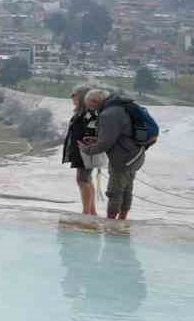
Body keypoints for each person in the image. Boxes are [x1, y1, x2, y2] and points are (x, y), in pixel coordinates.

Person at [80, 89, 148, 220]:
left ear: (95, 102)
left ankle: (112, 222)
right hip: (136, 154)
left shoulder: (108, 114)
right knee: (127, 189)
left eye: (89, 105)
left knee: (114, 191)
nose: (89, 109)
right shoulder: (119, 107)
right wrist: (98, 140)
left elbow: (105, 144)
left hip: (123, 158)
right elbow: (119, 133)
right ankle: (123, 219)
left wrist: (86, 149)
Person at [61, 85, 101, 216]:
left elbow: (91, 133)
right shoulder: (83, 112)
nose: (71, 97)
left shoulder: (88, 113)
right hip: (83, 150)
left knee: (82, 180)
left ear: (82, 97)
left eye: (74, 94)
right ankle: (91, 211)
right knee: (86, 179)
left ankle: (86, 212)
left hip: (85, 151)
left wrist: (86, 148)